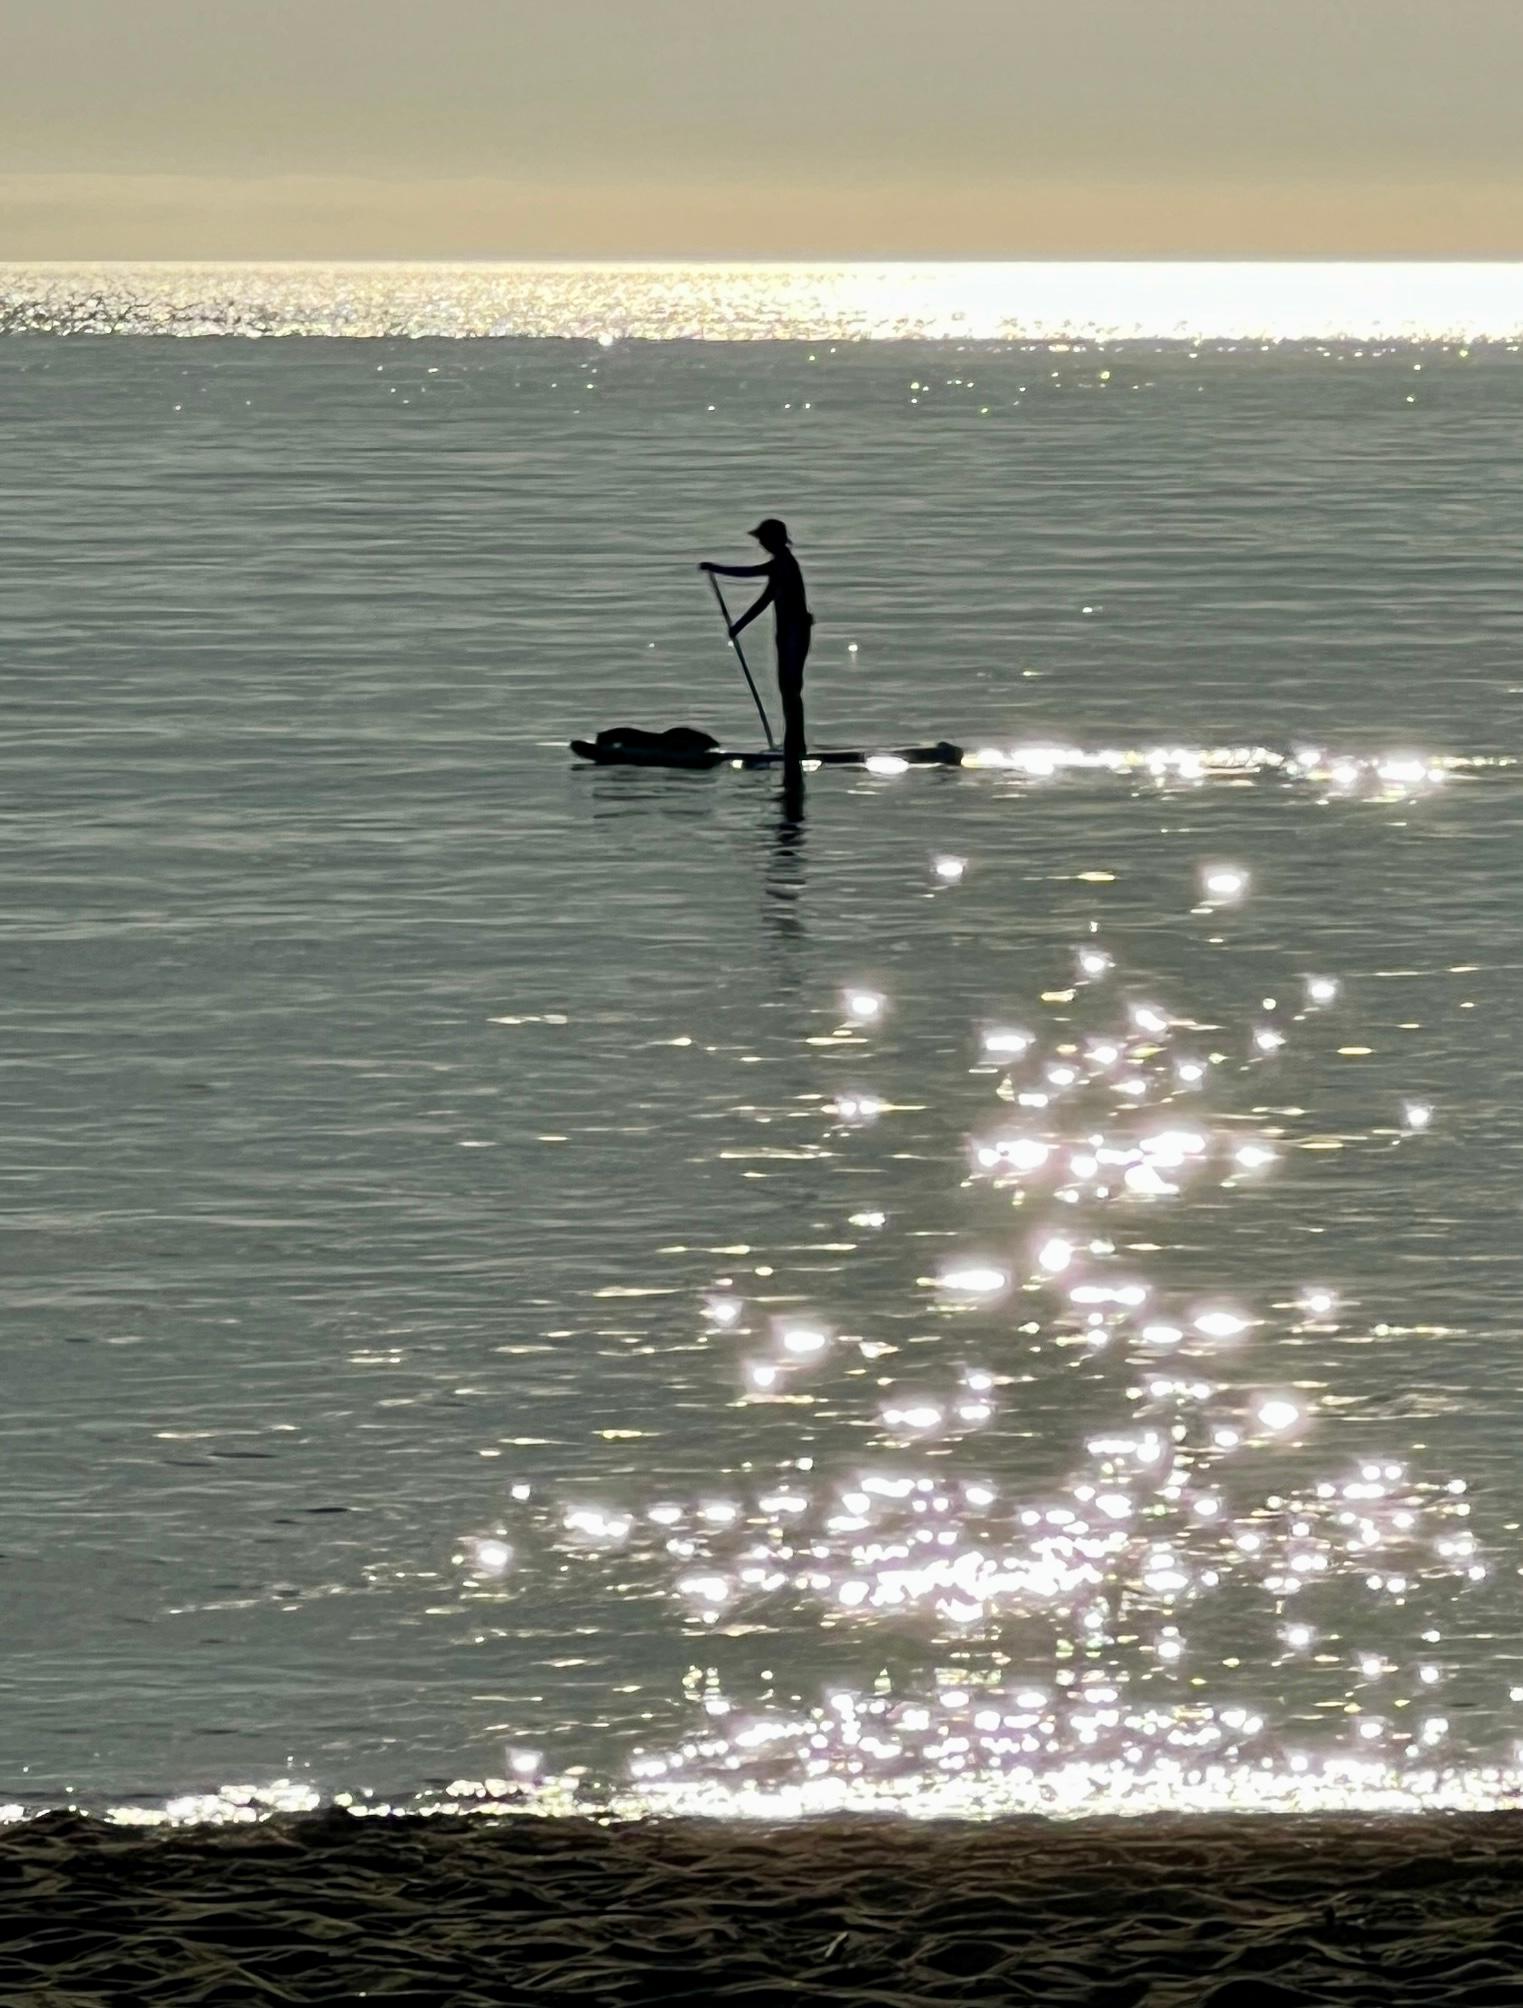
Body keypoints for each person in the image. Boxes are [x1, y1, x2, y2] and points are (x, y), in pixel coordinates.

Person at [700, 519, 813, 763]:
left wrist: (716, 568)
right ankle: (793, 743)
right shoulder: (779, 564)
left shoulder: (784, 564)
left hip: (795, 632)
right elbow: (766, 596)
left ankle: (796, 746)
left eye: (763, 539)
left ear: (774, 539)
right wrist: (739, 626)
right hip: (786, 633)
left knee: (791, 689)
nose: (760, 543)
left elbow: (755, 581)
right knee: (787, 689)